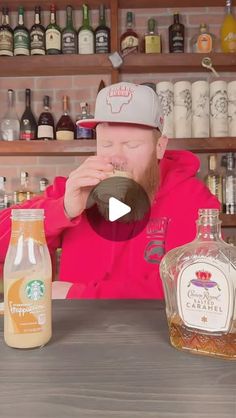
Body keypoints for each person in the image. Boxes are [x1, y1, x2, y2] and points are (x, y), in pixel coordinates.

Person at [0, 82, 220, 299]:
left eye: (131, 145)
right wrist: (64, 209)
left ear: (159, 147)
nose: (116, 158)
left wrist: (79, 294)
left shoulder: (193, 200)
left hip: (155, 334)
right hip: (75, 333)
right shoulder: (74, 189)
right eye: (106, 144)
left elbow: (195, 286)